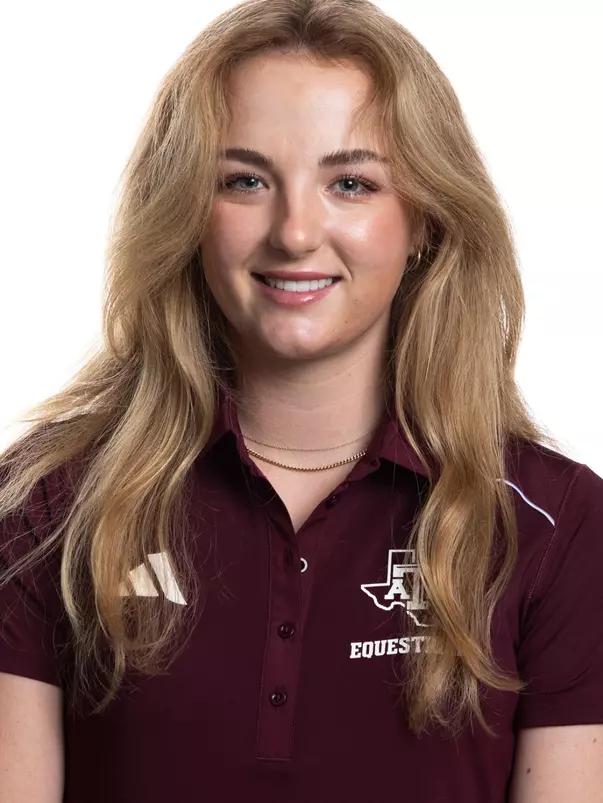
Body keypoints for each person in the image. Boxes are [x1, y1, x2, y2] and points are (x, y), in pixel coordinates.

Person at [1, 0, 602, 800]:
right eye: (245, 180)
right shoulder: (48, 503)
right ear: (186, 212)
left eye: (350, 183)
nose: (293, 231)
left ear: (420, 219)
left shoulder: (556, 524)